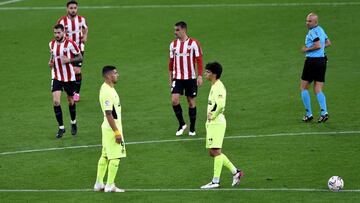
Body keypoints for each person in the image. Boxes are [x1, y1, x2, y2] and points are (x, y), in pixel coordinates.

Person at [200, 62, 243, 189]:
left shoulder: (219, 87)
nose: (205, 74)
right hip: (213, 123)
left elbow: (220, 104)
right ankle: (236, 172)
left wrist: (212, 115)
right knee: (212, 152)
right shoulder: (214, 85)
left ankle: (215, 181)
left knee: (215, 151)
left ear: (214, 74)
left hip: (217, 122)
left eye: (207, 72)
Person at [94, 66, 126, 193]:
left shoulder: (107, 88)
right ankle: (109, 185)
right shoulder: (107, 92)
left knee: (105, 155)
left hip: (107, 128)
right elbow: (108, 113)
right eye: (115, 73)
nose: (117, 75)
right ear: (108, 76)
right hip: (112, 129)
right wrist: (117, 132)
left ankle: (99, 183)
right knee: (116, 157)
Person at [169, 21, 203, 136]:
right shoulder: (173, 45)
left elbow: (199, 60)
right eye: (175, 30)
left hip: (190, 78)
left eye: (177, 30)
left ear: (184, 30)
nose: (175, 32)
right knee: (174, 100)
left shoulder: (194, 43)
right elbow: (171, 62)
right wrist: (170, 77)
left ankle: (192, 128)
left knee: (191, 102)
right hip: (178, 78)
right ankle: (182, 124)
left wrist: (199, 75)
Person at [48, 24, 82, 138]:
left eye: (58, 33)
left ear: (63, 32)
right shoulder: (51, 44)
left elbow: (80, 57)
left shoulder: (70, 43)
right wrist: (50, 63)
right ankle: (61, 127)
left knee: (70, 101)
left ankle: (73, 122)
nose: (56, 35)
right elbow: (52, 57)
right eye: (55, 33)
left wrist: (69, 60)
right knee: (56, 102)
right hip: (56, 76)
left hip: (68, 77)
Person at [300, 12, 331, 122]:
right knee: (318, 88)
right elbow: (328, 42)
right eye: (307, 20)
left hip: (312, 62)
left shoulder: (312, 32)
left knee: (304, 87)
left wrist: (306, 49)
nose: (307, 23)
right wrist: (320, 49)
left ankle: (309, 114)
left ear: (315, 22)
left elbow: (317, 45)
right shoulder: (321, 30)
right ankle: (324, 112)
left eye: (309, 21)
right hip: (322, 61)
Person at [57, 0, 88, 102]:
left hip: (78, 49)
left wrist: (85, 36)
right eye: (71, 8)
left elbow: (85, 28)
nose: (73, 10)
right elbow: (58, 33)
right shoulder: (62, 21)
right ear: (67, 9)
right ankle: (69, 90)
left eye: (75, 8)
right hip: (66, 50)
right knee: (68, 71)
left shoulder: (81, 19)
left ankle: (76, 93)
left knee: (77, 70)